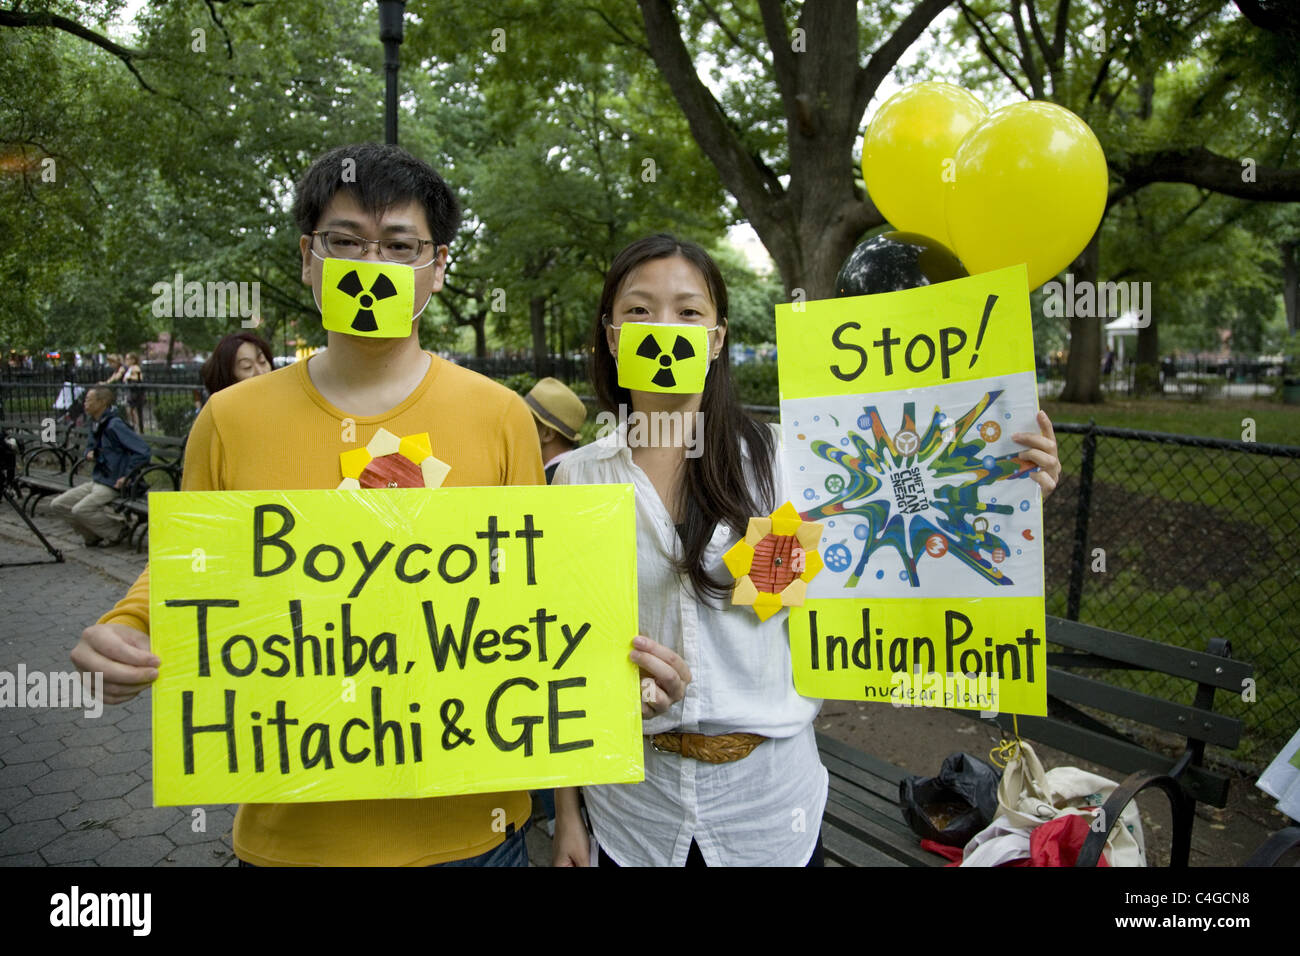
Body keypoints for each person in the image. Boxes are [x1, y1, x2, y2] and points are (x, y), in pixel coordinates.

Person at [70, 143, 688, 867]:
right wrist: (124, 629)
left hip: (475, 833)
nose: (372, 264)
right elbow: (186, 573)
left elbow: (542, 603)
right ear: (309, 257)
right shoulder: (229, 422)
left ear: (438, 266)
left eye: (400, 245)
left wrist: (613, 684)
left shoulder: (499, 418)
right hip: (292, 834)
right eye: (344, 242)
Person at [550, 234, 1062, 867]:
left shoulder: (791, 460)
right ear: (609, 336)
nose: (664, 328)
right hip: (631, 815)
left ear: (717, 339)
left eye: (688, 311)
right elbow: (558, 654)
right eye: (638, 311)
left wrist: (1005, 484)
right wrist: (569, 816)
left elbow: (910, 529)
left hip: (769, 812)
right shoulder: (572, 479)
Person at [48, 386, 150, 547]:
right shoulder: (96, 424)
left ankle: (117, 531)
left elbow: (143, 451)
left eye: (89, 400)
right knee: (58, 504)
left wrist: (127, 476)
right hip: (99, 479)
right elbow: (90, 447)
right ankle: (93, 535)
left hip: (114, 483)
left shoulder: (114, 425)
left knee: (80, 510)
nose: (84, 403)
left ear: (102, 402)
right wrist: (88, 453)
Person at [523, 376, 587, 483]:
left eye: (526, 419)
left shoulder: (549, 483)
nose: (519, 426)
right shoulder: (580, 473)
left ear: (547, 434)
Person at [199, 331, 274, 397]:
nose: (260, 372)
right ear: (228, 378)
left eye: (262, 361)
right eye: (247, 367)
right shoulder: (219, 411)